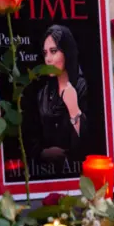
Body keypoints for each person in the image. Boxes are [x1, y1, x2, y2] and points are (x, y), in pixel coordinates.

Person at [28, 25, 88, 165]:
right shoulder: (43, 93)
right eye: (45, 53)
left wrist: (74, 110)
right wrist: (42, 153)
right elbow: (32, 135)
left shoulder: (82, 87)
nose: (48, 59)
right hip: (45, 171)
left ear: (67, 52)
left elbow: (91, 141)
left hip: (77, 171)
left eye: (53, 51)